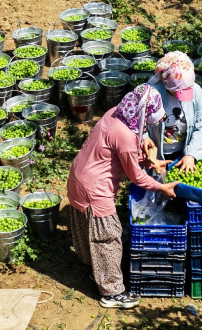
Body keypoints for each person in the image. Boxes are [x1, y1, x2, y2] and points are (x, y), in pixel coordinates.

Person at [66, 84, 179, 309]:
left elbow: (121, 150)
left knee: (90, 233)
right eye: (148, 120)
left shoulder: (116, 112)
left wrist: (150, 159)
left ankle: (98, 272)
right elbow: (136, 176)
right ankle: (112, 293)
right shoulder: (126, 135)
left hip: (78, 179)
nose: (148, 125)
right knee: (108, 238)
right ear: (142, 114)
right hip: (95, 190)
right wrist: (161, 187)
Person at [152, 51, 202, 171]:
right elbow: (140, 128)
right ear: (166, 83)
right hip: (155, 154)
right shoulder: (151, 93)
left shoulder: (196, 91)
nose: (182, 94)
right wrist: (152, 158)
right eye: (178, 91)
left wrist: (191, 154)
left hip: (182, 151)